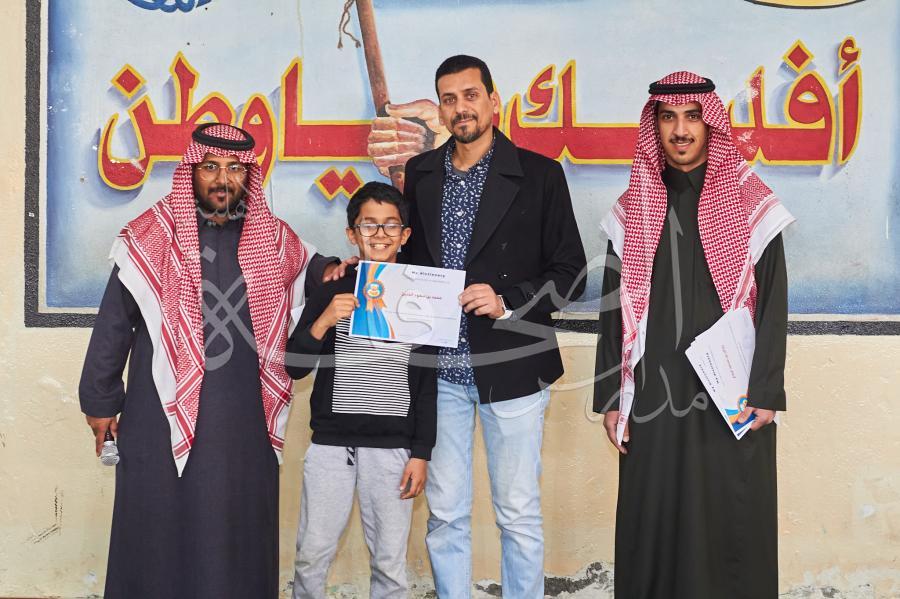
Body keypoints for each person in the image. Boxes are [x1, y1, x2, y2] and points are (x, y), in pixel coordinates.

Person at [79, 123, 348, 598]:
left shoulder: (273, 239)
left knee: (236, 528)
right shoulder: (151, 237)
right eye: (210, 167)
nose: (223, 179)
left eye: (234, 168)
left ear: (249, 175)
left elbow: (319, 270)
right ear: (192, 171)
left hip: (244, 421)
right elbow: (114, 323)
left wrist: (336, 270)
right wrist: (100, 400)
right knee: (156, 524)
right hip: (158, 413)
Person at [593, 72, 794, 598]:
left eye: (691, 117)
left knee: (731, 514)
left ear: (710, 124)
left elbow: (773, 304)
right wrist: (611, 399)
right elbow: (614, 312)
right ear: (654, 126)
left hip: (733, 393)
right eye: (668, 118)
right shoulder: (633, 210)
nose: (680, 130)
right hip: (654, 395)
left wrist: (766, 391)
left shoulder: (750, 204)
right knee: (653, 512)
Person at [394, 55, 587, 598]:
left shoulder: (540, 175)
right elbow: (406, 262)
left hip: (514, 366)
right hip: (440, 373)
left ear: (494, 101)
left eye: (471, 95)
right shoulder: (422, 174)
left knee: (518, 513)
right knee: (446, 514)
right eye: (449, 99)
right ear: (440, 109)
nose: (461, 108)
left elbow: (571, 274)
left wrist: (508, 301)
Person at [286, 181, 437, 599]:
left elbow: (426, 385)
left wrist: (421, 453)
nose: (380, 234)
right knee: (312, 553)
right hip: (331, 445)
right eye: (369, 225)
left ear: (405, 235)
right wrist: (323, 321)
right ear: (352, 234)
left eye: (391, 225)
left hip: (393, 449)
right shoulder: (332, 289)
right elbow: (294, 366)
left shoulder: (420, 295)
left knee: (389, 563)